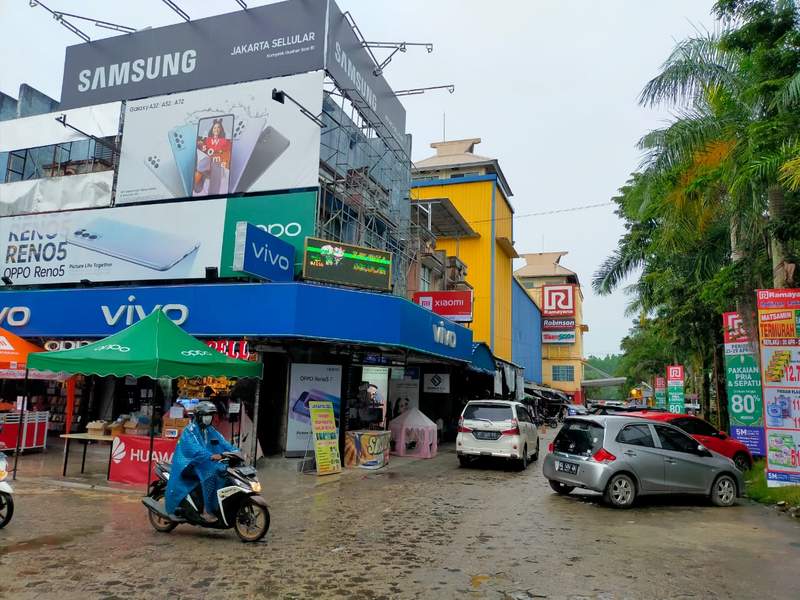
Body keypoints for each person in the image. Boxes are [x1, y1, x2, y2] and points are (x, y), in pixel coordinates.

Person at [165, 401, 238, 522]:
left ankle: (216, 505)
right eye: (206, 415)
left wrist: (236, 452)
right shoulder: (190, 430)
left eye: (210, 415)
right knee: (210, 475)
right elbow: (195, 449)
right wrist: (211, 456)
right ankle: (206, 510)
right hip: (187, 464)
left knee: (223, 471)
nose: (209, 418)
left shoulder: (210, 430)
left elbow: (223, 442)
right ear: (199, 416)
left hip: (204, 462)